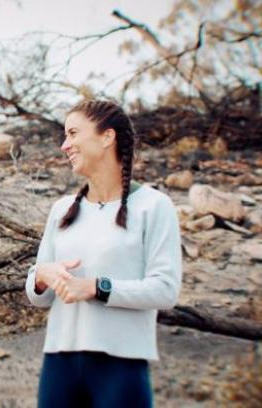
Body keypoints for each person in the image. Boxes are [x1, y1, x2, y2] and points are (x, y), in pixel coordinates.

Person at [25, 100, 182, 407]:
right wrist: (42, 277)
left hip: (121, 366)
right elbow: (38, 296)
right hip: (59, 364)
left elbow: (165, 290)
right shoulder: (62, 209)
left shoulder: (154, 206)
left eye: (72, 134)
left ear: (107, 137)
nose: (64, 145)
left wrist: (96, 287)